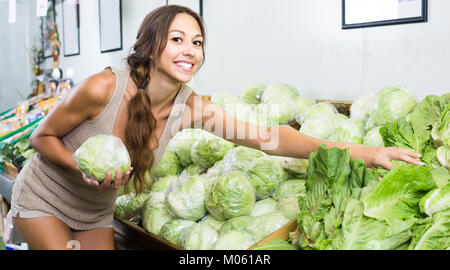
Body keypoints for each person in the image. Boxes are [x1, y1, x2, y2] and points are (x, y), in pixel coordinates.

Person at [10, 5, 423, 250]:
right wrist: (79, 167)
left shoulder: (190, 107)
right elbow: (39, 137)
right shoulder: (104, 86)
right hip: (46, 196)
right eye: (177, 39)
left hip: (96, 210)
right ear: (152, 45)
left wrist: (363, 152)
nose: (189, 50)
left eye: (197, 42)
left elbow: (271, 137)